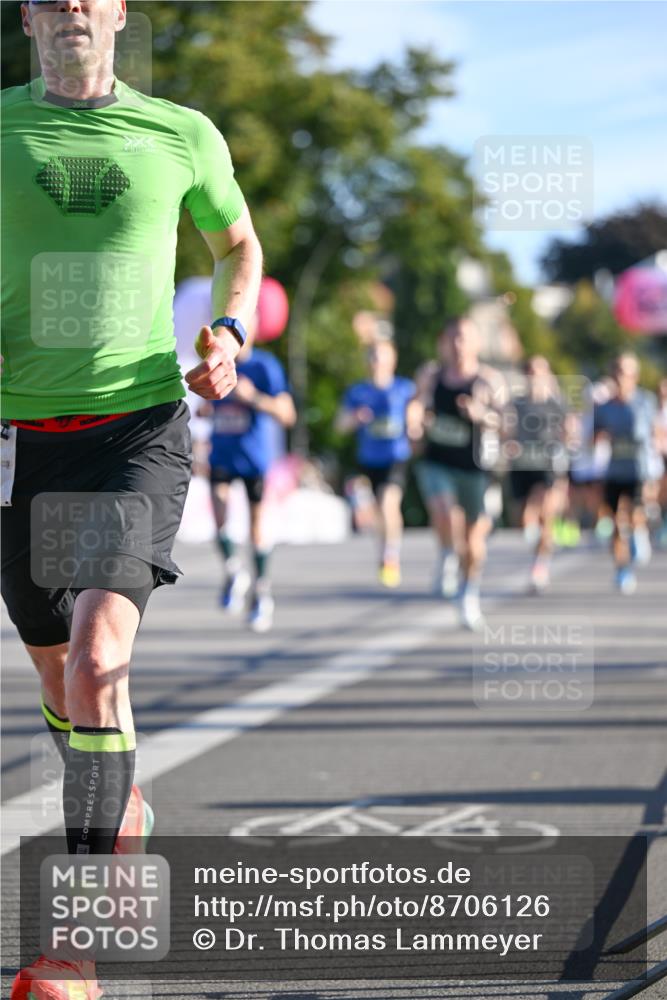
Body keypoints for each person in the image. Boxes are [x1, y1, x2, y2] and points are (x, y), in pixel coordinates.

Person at [1, 1, 263, 996]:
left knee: (102, 664)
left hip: (135, 431)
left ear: (117, 12)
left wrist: (231, 335)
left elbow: (239, 247)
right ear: (26, 14)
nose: (71, 5)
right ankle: (124, 806)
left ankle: (72, 950)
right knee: (62, 674)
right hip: (17, 442)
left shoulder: (180, 133)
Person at [203, 321, 296, 631]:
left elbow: (287, 413)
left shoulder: (264, 366)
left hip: (254, 459)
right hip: (221, 455)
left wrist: (253, 398)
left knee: (257, 529)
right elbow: (206, 404)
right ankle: (233, 571)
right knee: (218, 514)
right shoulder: (215, 362)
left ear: (254, 331)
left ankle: (261, 593)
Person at [413, 316, 504, 630]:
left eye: (464, 338)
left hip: (475, 467)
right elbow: (416, 405)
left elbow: (508, 423)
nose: (457, 344)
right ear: (443, 343)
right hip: (437, 462)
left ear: (477, 343)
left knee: (475, 541)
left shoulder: (489, 380)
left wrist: (482, 415)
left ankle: (469, 593)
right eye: (452, 338)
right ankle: (447, 554)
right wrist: (416, 421)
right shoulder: (431, 375)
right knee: (443, 512)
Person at [336, 339, 417, 587]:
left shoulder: (404, 389)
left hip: (396, 457)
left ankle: (390, 555)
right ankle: (384, 549)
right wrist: (355, 418)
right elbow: (339, 426)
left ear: (392, 360)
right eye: (372, 356)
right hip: (368, 460)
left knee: (388, 503)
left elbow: (418, 414)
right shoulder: (357, 392)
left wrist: (415, 422)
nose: (376, 362)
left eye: (381, 356)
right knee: (376, 513)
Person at [593, 353, 658, 594]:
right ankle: (622, 568)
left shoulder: (645, 401)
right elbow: (594, 436)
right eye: (618, 372)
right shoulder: (604, 407)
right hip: (614, 470)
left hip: (639, 469)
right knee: (616, 523)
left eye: (627, 373)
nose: (622, 378)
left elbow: (655, 433)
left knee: (634, 516)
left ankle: (639, 534)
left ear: (635, 376)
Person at [505, 356, 570, 591]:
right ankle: (540, 551)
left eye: (539, 371)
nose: (534, 376)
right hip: (522, 464)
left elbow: (569, 431)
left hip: (547, 464)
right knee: (523, 518)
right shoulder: (517, 403)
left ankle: (540, 565)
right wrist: (509, 444)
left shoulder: (557, 403)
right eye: (530, 372)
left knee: (543, 511)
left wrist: (565, 450)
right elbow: (507, 430)